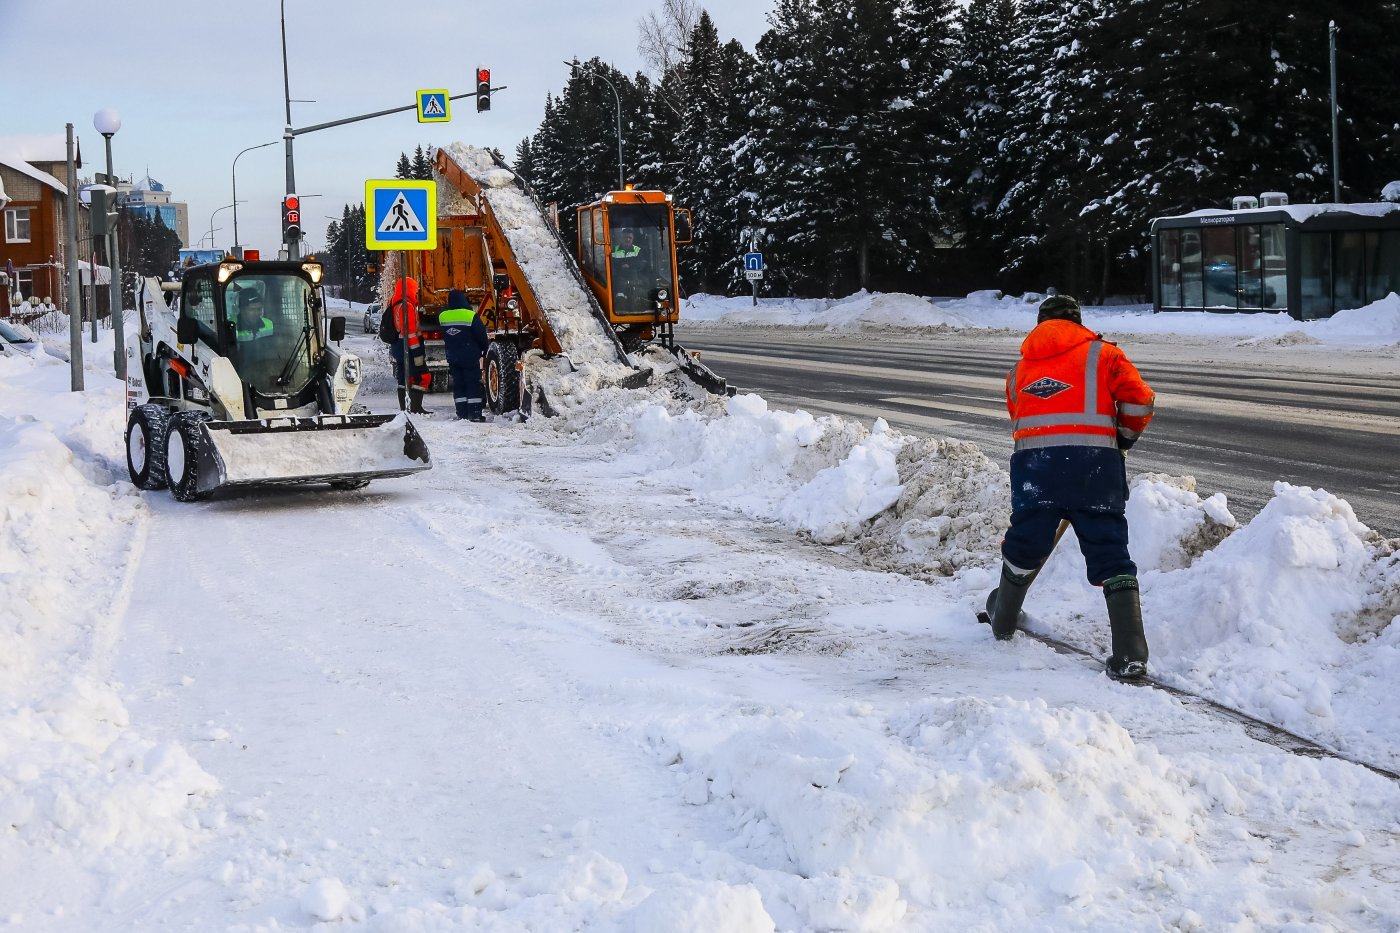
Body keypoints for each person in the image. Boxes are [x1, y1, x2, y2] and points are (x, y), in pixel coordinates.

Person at [982, 294, 1156, 680]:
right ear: (1078, 322)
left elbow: (1021, 419)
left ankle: (1003, 619)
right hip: (1095, 469)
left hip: (1035, 471)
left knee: (1025, 544)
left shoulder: (1019, 370)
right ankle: (1131, 652)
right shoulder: (1104, 355)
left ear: (1039, 325)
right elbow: (1139, 400)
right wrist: (1122, 440)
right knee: (1110, 550)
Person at [440, 288, 490, 421]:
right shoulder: (470, 315)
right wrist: (485, 349)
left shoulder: (443, 316)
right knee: (472, 383)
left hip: (453, 357)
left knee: (459, 384)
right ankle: (474, 414)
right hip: (470, 356)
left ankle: (461, 413)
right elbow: (481, 335)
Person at [386, 276, 432, 414]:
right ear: (410, 289)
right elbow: (410, 333)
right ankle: (415, 408)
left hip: (397, 346)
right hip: (408, 347)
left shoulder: (394, 302)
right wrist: (417, 353)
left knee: (403, 376)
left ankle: (405, 408)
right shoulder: (407, 306)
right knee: (422, 376)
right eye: (415, 290)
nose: (416, 292)